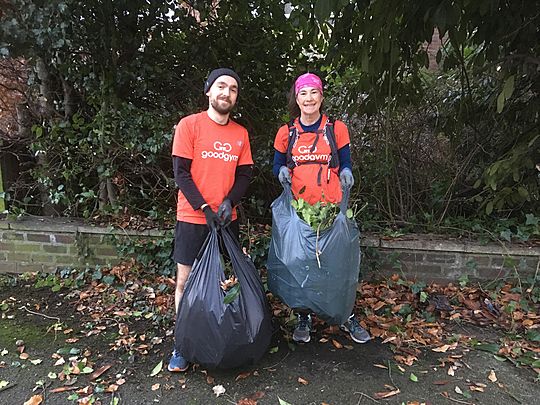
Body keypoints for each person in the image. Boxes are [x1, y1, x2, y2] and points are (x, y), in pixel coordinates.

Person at [272, 72, 370, 344]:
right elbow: (276, 164)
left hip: (331, 210)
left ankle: (344, 315)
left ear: (321, 97)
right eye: (303, 93)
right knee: (302, 264)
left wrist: (347, 172)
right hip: (300, 211)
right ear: (297, 98)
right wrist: (280, 171)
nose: (308, 98)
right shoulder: (287, 133)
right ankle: (304, 315)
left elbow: (346, 161)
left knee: (336, 264)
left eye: (313, 92)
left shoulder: (336, 129)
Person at [169, 68, 254, 371]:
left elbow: (245, 174)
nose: (226, 93)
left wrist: (230, 201)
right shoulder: (189, 126)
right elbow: (181, 173)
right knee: (185, 281)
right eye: (221, 86)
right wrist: (204, 207)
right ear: (208, 91)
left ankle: (215, 335)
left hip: (226, 219)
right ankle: (183, 344)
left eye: (232, 89)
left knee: (223, 281)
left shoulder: (240, 134)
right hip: (193, 217)